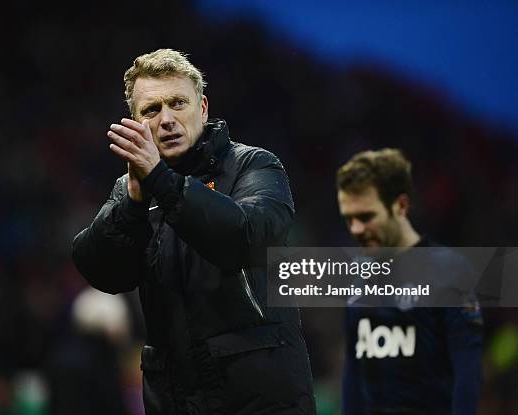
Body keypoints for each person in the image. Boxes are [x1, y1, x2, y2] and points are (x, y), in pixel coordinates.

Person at [72, 49, 316, 415]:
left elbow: (246, 239)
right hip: (175, 399)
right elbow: (103, 273)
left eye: (178, 104)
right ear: (135, 123)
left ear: (202, 109)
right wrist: (133, 205)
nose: (167, 119)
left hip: (260, 400)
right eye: (151, 110)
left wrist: (160, 180)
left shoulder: (255, 165)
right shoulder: (131, 190)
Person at [336, 148, 483, 415]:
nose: (356, 229)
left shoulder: (448, 270)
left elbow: (467, 374)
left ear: (400, 206)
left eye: (366, 217)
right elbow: (353, 374)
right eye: (349, 219)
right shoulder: (358, 277)